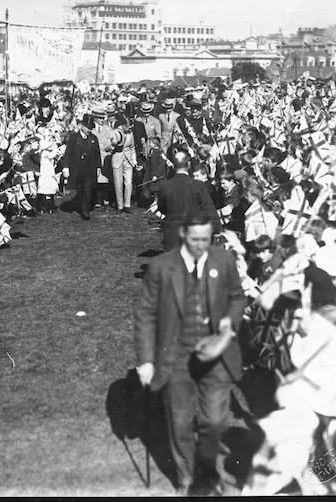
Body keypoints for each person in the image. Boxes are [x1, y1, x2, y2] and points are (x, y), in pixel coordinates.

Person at [134, 213, 247, 496]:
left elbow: (237, 298)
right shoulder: (161, 267)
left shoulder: (223, 260)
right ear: (183, 234)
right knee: (181, 422)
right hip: (176, 359)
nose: (200, 245)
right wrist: (147, 361)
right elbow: (146, 314)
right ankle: (188, 479)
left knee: (215, 421)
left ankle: (207, 469)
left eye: (205, 239)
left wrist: (228, 323)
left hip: (215, 356)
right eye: (195, 239)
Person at [158, 149, 221, 251]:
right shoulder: (198, 185)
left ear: (173, 166)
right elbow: (209, 208)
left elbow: (162, 208)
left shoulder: (165, 186)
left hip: (172, 232)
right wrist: (218, 229)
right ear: (188, 165)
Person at [62, 114, 101, 220]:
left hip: (89, 167)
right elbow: (68, 154)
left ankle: (85, 210)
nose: (89, 130)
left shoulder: (93, 138)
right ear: (82, 126)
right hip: (77, 168)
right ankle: (80, 204)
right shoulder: (74, 138)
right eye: (88, 127)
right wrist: (66, 167)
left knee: (88, 189)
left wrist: (98, 167)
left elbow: (97, 154)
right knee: (80, 188)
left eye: (91, 128)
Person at [111, 115, 138, 214]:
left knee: (128, 183)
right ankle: (120, 206)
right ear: (123, 125)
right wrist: (113, 145)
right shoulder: (116, 132)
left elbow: (132, 147)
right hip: (117, 158)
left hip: (128, 159)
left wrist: (134, 160)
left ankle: (127, 205)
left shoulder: (130, 133)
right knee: (118, 183)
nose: (130, 129)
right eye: (128, 127)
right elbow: (108, 147)